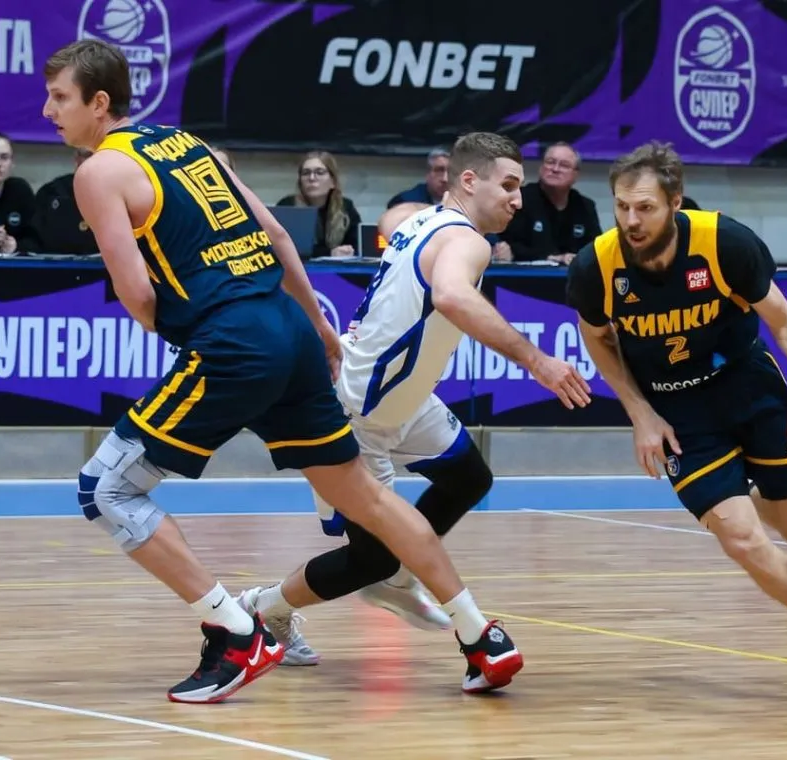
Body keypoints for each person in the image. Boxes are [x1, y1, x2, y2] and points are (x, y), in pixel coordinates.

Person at [43, 39, 525, 703]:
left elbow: (137, 295)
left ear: (99, 103)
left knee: (106, 489)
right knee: (369, 501)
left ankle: (236, 630)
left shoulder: (98, 172)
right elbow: (273, 233)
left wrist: (192, 334)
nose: (48, 111)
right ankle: (479, 636)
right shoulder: (185, 143)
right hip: (290, 329)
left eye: (59, 98)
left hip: (234, 341)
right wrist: (320, 328)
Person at [237, 132, 593, 694]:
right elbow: (451, 295)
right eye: (508, 185)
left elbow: (397, 257)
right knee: (370, 561)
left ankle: (399, 575)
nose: (518, 199)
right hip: (357, 417)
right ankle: (262, 610)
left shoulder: (421, 219)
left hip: (400, 399)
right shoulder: (467, 242)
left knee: (469, 477)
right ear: (468, 181)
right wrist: (537, 360)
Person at [564, 141, 787, 705]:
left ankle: (738, 489)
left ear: (675, 202)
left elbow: (785, 321)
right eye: (622, 206)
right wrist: (639, 413)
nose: (631, 220)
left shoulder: (724, 243)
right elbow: (597, 339)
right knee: (742, 539)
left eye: (644, 207)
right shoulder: (596, 266)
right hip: (677, 414)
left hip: (747, 388)